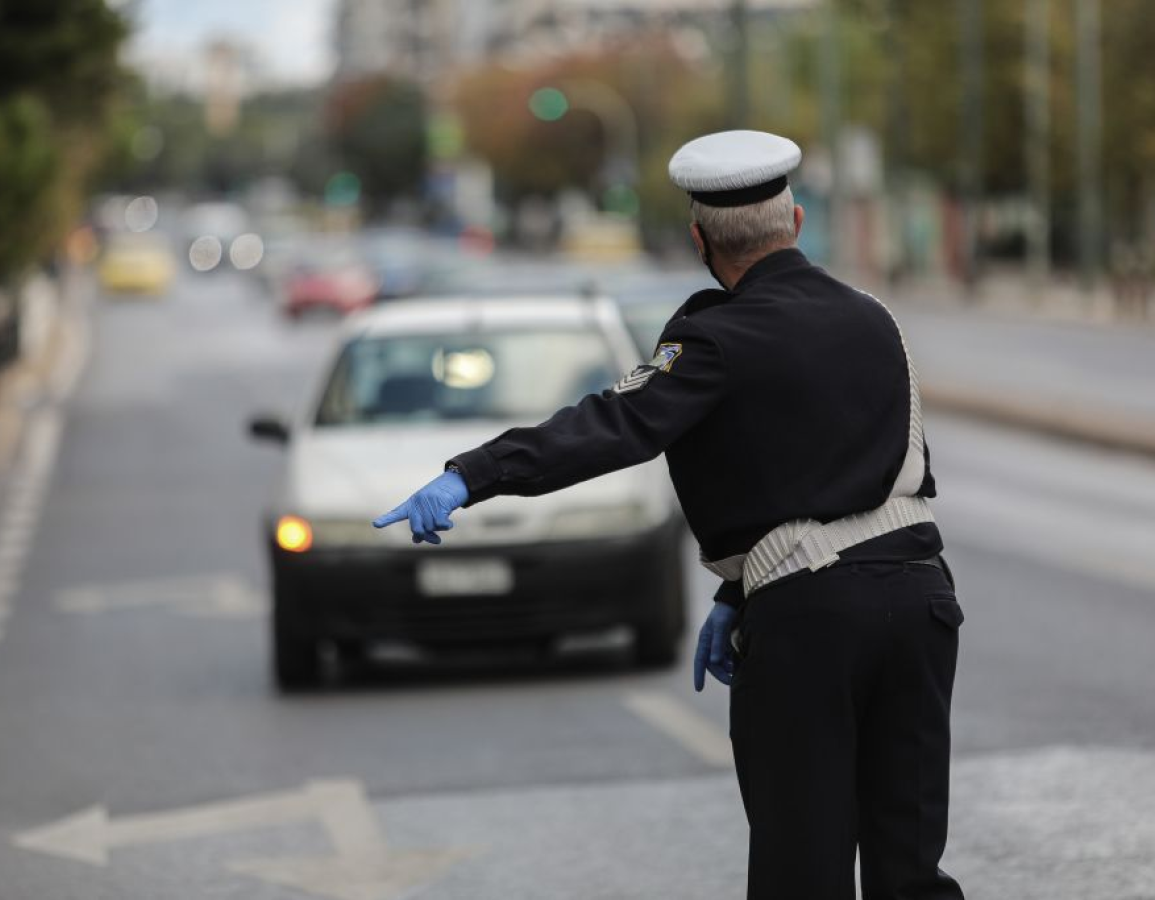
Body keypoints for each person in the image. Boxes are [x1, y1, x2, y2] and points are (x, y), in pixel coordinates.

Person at [373, 130, 964, 900]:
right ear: (797, 223)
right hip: (920, 602)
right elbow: (864, 472)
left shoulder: (713, 337)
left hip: (811, 623)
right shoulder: (873, 316)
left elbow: (610, 426)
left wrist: (470, 476)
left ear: (698, 240)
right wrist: (736, 590)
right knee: (911, 867)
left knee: (804, 869)